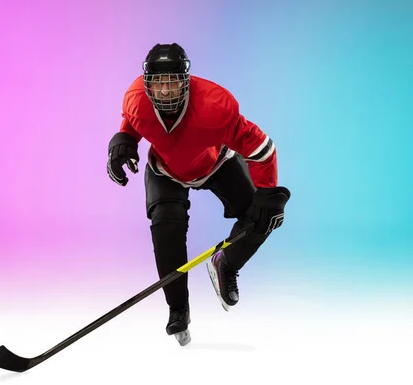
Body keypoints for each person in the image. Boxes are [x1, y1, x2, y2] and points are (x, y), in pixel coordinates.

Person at [106, 43, 290, 346]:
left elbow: (262, 149)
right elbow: (133, 121)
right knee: (166, 227)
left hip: (216, 163)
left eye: (173, 82)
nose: (165, 91)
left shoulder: (215, 105)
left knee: (262, 216)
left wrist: (268, 192)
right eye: (158, 84)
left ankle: (226, 263)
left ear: (186, 81)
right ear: (147, 85)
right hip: (165, 170)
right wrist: (124, 138)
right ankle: (178, 309)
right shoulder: (135, 98)